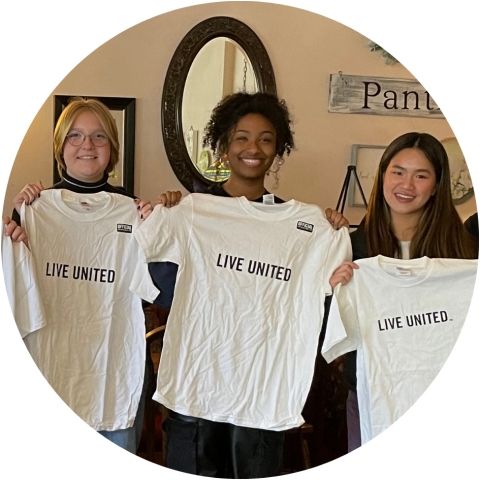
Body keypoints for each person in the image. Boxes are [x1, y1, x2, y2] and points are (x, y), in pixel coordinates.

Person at [147, 91, 350, 478]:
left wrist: (332, 234)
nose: (253, 147)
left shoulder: (307, 230)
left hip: (262, 392)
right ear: (224, 145)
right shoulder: (192, 212)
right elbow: (158, 283)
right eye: (241, 137)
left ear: (278, 150)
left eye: (266, 139)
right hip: (198, 387)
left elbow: (324, 301)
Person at [10, 97, 152, 453]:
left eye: (99, 136)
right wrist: (15, 223)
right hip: (49, 375)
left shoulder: (136, 213)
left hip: (114, 381)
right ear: (60, 148)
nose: (87, 145)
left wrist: (161, 225)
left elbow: (161, 290)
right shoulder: (33, 210)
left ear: (112, 149)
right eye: (75, 136)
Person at [329, 131, 477, 451]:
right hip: (374, 397)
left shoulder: (464, 253)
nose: (406, 185)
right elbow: (333, 339)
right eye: (398, 172)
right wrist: (332, 294)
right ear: (383, 175)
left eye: (420, 176)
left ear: (437, 185)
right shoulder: (354, 250)